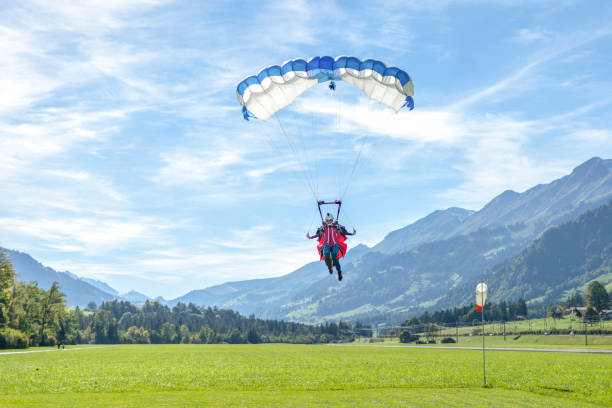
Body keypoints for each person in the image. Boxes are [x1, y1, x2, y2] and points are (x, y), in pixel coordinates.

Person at [306, 213, 355, 281]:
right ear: (326, 221)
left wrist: (351, 234)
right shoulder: (323, 228)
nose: (329, 221)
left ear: (332, 220)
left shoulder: (337, 227)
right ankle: (330, 267)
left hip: (335, 244)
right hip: (326, 244)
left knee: (334, 256)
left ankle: (339, 272)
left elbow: (344, 233)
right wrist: (310, 237)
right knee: (326, 255)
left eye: (330, 220)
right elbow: (317, 235)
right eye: (327, 220)